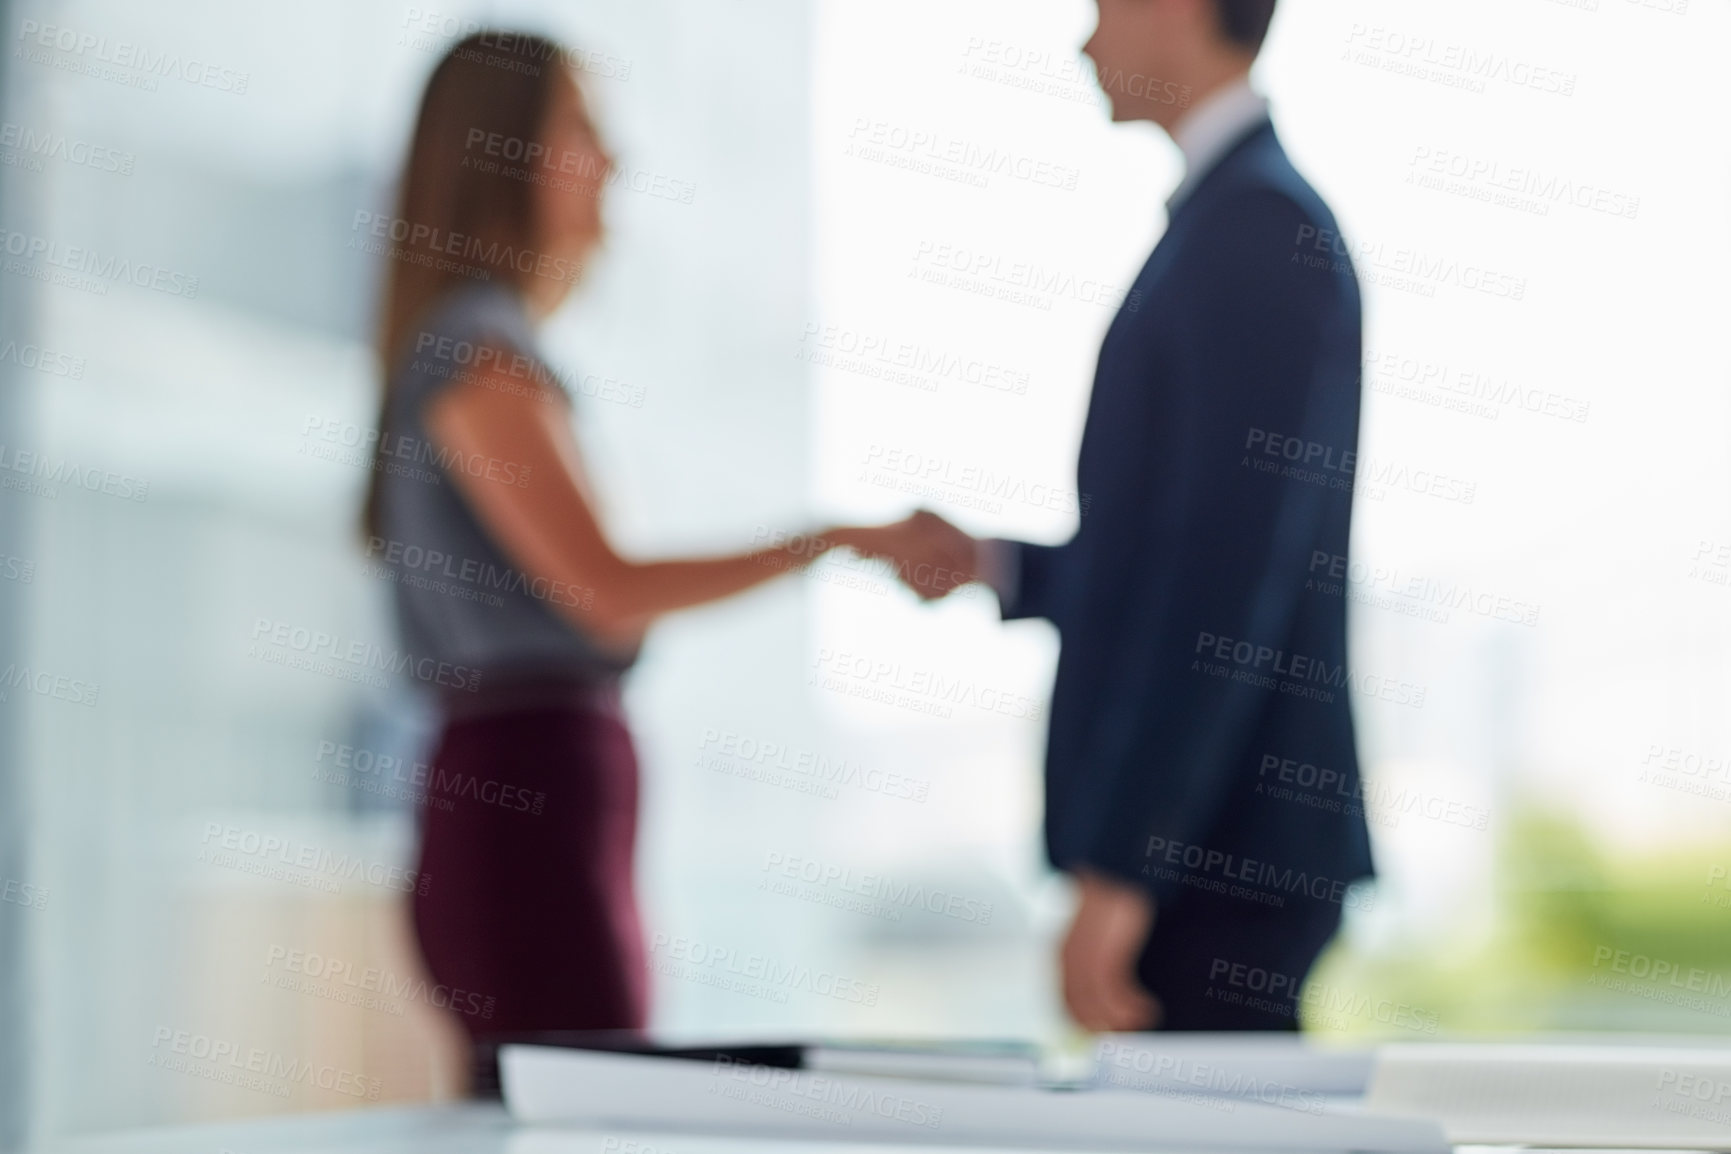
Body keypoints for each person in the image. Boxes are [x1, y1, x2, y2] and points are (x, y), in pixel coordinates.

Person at [363, 31, 971, 1081]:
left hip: (532, 798)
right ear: (503, 152)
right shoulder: (481, 357)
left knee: (570, 1096)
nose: (613, 163)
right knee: (585, 1101)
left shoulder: (486, 350)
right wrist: (832, 539)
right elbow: (605, 592)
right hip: (525, 808)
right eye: (582, 132)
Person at [960, 0, 1375, 1031]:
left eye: (1101, 7)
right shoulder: (1229, 221)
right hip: (1213, 846)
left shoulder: (1258, 228)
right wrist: (1002, 567)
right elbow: (1177, 562)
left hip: (1221, 852)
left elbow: (1226, 582)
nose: (1084, 38)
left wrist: (1126, 860)